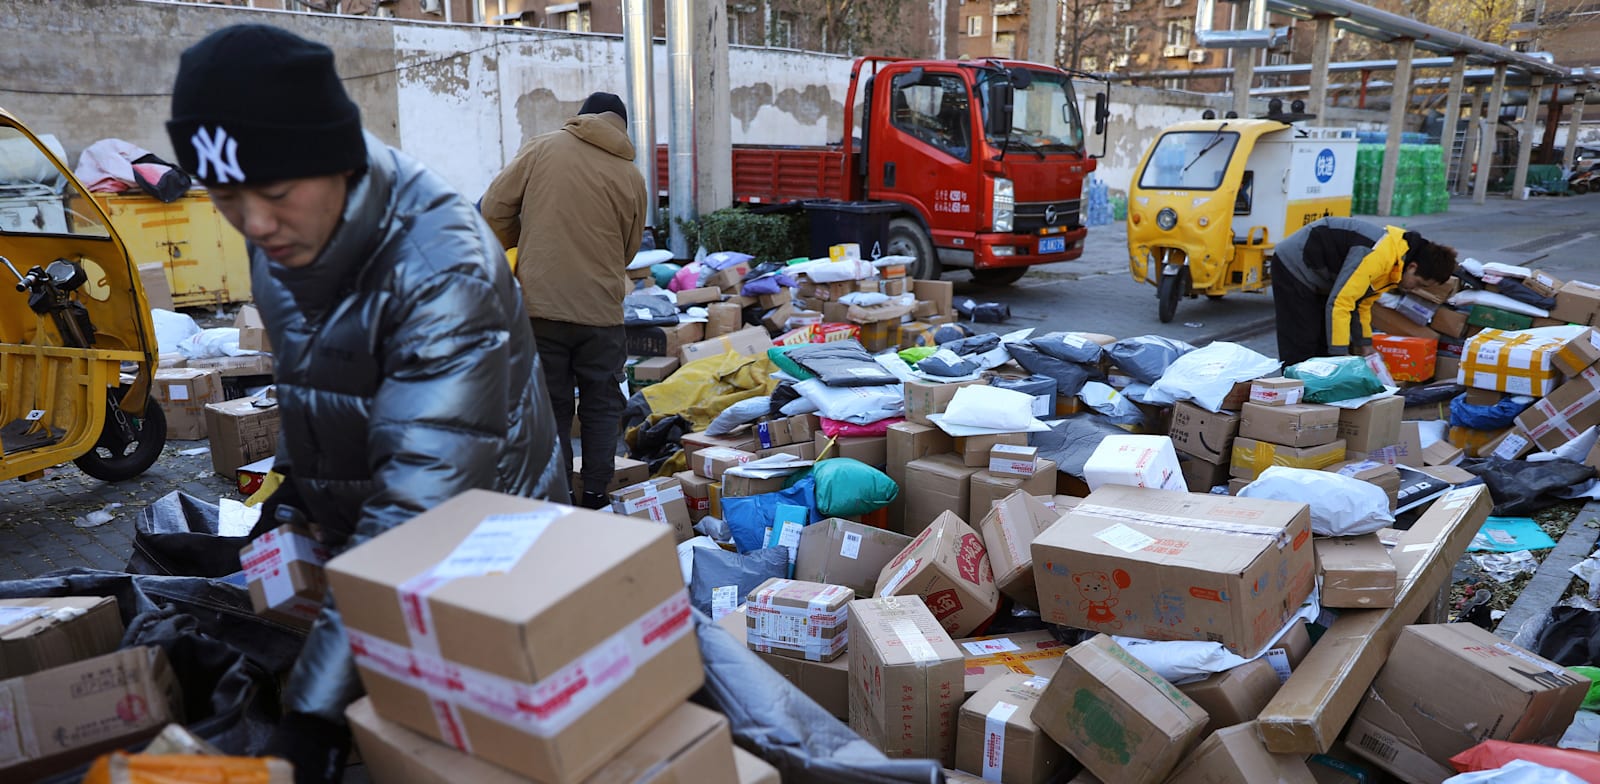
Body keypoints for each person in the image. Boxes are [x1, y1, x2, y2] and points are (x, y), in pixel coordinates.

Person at [166, 24, 567, 783]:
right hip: (370, 564)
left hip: (481, 555)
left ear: (338, 160)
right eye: (224, 197)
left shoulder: (442, 268)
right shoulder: (281, 236)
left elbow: (418, 513)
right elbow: (311, 379)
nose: (253, 224)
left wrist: (312, 718)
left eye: (277, 194)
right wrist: (288, 490)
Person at [481, 92, 650, 509]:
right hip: (602, 315)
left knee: (550, 406)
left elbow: (493, 208)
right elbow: (627, 251)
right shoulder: (631, 176)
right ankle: (594, 494)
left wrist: (526, 248)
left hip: (540, 310)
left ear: (581, 118)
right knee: (601, 405)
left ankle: (557, 500)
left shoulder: (543, 148)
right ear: (621, 128)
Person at [1269, 216, 1457, 367]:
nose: (1414, 289)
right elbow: (1341, 303)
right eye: (1419, 283)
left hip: (1323, 275)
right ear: (1413, 267)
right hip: (1295, 264)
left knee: (1323, 342)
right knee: (1302, 341)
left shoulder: (1397, 265)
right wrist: (1341, 357)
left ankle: (1320, 401)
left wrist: (1365, 344)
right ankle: (1292, 401)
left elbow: (1363, 303)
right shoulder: (1379, 256)